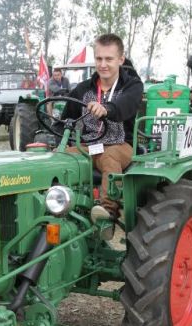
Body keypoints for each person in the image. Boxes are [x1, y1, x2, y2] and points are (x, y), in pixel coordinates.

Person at [61, 33, 143, 216]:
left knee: (109, 156)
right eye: (99, 58)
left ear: (120, 59)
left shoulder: (132, 86)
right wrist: (58, 139)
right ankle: (58, 206)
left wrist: (106, 109)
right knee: (59, 158)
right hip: (89, 147)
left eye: (109, 59)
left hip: (121, 145)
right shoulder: (82, 89)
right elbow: (66, 119)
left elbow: (126, 106)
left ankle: (107, 212)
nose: (103, 64)